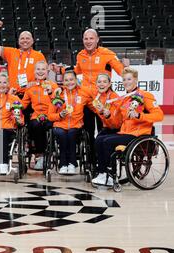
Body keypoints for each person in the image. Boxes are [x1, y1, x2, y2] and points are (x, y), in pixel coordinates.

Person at [50, 29, 129, 160]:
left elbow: (121, 71)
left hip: (103, 98)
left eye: (91, 38)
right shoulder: (81, 55)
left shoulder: (107, 54)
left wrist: (126, 69)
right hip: (86, 98)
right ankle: (92, 160)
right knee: (88, 131)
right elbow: (76, 70)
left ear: (97, 39)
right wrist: (60, 70)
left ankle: (104, 158)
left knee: (104, 129)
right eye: (86, 39)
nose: (88, 41)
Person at [92, 67, 164, 186]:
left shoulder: (145, 95)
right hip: (125, 132)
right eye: (124, 80)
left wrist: (139, 115)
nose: (126, 82)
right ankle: (102, 173)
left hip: (139, 135)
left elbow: (159, 115)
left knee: (107, 142)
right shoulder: (124, 99)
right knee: (99, 139)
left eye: (129, 79)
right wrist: (106, 114)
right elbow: (117, 122)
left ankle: (110, 176)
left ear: (136, 80)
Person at [0, 20, 47, 98]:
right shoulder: (11, 52)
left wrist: (36, 83)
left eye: (27, 38)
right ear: (18, 41)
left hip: (32, 94)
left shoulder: (39, 55)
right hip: (13, 94)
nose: (25, 40)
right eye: (22, 38)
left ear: (32, 41)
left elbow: (44, 76)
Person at [48, 70, 87, 175]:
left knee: (71, 133)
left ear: (76, 80)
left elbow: (93, 106)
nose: (69, 82)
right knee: (62, 134)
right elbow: (50, 116)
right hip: (60, 124)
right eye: (66, 80)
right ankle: (63, 164)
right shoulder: (58, 94)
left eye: (71, 79)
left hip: (76, 125)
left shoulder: (83, 93)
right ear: (63, 82)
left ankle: (72, 163)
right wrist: (59, 115)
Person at [21, 61, 59, 170]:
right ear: (34, 72)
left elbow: (58, 103)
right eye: (38, 69)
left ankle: (49, 152)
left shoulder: (53, 85)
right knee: (35, 125)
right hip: (36, 115)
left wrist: (51, 93)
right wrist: (15, 104)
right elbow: (24, 104)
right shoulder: (30, 87)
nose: (40, 71)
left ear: (47, 72)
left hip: (50, 114)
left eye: (43, 69)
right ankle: (40, 155)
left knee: (48, 126)